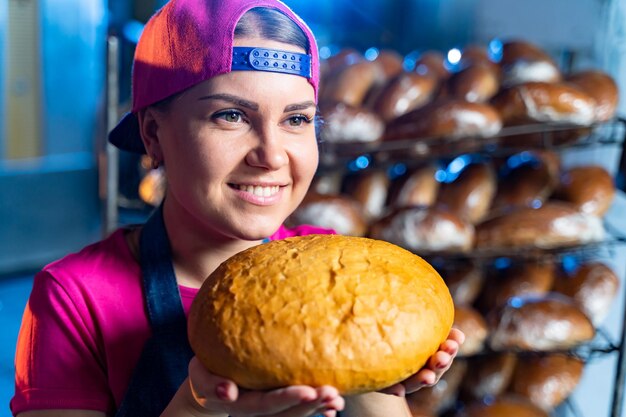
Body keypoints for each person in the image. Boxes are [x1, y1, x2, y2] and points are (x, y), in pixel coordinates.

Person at [11, 1, 465, 416]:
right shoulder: (75, 298)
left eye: (296, 119)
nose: (270, 155)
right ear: (153, 135)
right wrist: (198, 406)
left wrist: (379, 378)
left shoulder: (336, 274)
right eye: (231, 115)